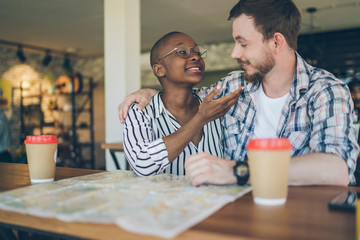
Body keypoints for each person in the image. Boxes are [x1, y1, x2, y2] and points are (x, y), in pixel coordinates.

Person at [119, 0, 359, 186]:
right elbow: (182, 94)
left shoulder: (326, 91)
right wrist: (149, 91)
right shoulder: (235, 86)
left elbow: (337, 169)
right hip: (236, 216)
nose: (234, 53)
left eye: (242, 43)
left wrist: (238, 171)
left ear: (276, 43)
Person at [123, 31, 242, 176]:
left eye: (198, 52)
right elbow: (142, 164)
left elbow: (246, 78)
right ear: (159, 69)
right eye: (182, 52)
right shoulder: (140, 111)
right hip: (165, 199)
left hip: (218, 198)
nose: (195, 56)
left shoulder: (215, 98)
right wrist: (200, 119)